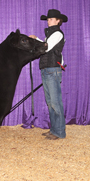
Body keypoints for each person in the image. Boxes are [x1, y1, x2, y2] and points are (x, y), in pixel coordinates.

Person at [29, 9, 68, 140]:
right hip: (47, 69)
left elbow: (46, 47)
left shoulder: (57, 34)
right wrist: (37, 39)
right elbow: (46, 45)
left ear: (58, 21)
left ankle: (60, 132)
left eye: (51, 19)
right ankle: (54, 129)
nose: (48, 21)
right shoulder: (50, 34)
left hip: (52, 69)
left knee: (55, 102)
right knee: (50, 102)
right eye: (48, 19)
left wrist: (36, 42)